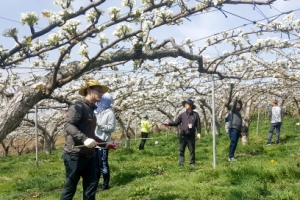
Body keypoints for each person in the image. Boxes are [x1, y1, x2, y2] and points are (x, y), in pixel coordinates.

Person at [61, 80, 109, 200]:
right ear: (89, 90)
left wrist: (106, 144)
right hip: (75, 154)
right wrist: (84, 139)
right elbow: (68, 125)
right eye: (99, 90)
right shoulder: (78, 106)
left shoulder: (92, 110)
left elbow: (91, 136)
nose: (101, 94)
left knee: (91, 186)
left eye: (102, 92)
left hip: (89, 155)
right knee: (70, 188)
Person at [164, 99, 201, 166]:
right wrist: (168, 124)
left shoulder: (195, 115)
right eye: (185, 104)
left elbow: (198, 125)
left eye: (187, 104)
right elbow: (176, 123)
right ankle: (181, 164)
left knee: (192, 150)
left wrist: (199, 133)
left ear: (191, 105)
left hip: (191, 135)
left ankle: (192, 163)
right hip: (183, 135)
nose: (185, 105)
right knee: (181, 150)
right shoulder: (182, 115)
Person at [95, 93, 116, 191]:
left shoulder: (110, 113)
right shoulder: (97, 111)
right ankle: (94, 185)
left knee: (103, 164)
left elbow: (111, 128)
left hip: (103, 142)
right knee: (95, 165)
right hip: (94, 142)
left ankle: (105, 185)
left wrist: (100, 125)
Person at [227, 97, 243, 162]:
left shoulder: (238, 113)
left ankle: (231, 156)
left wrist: (240, 132)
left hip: (237, 129)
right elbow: (233, 105)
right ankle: (230, 157)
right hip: (233, 129)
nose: (238, 106)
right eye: (237, 104)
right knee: (233, 142)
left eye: (239, 105)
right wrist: (236, 97)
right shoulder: (233, 110)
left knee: (235, 143)